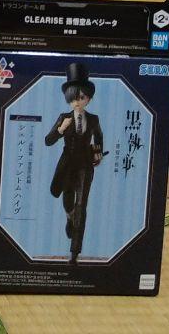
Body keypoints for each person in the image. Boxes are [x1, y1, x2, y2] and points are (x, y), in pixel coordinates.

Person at [45, 62, 104, 263]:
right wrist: (61, 129)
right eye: (72, 98)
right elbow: (48, 141)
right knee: (68, 200)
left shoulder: (94, 119)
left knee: (82, 206)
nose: (77, 102)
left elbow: (99, 138)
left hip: (85, 167)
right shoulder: (64, 117)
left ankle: (74, 252)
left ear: (88, 98)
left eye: (81, 98)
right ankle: (69, 217)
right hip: (67, 166)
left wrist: (97, 154)